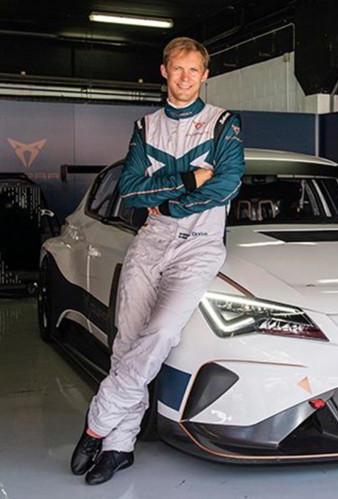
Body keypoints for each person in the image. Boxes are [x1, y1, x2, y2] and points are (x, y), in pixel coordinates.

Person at [70, 37, 245, 485]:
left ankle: (97, 422)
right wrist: (190, 177)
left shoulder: (223, 123)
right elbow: (131, 190)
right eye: (178, 69)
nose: (186, 77)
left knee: (162, 333)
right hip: (150, 241)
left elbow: (227, 184)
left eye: (194, 70)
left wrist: (166, 201)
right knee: (126, 342)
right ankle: (118, 446)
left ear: (205, 75)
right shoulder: (145, 127)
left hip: (200, 244)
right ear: (164, 71)